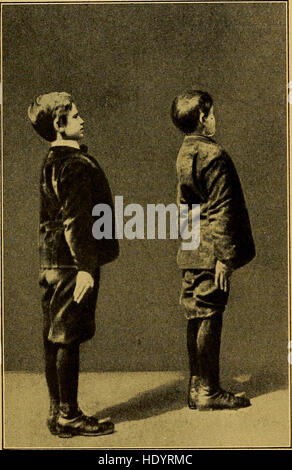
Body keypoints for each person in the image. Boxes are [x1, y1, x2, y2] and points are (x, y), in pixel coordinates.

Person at [28, 92, 119, 437]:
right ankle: (68, 414)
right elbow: (76, 220)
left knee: (53, 335)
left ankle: (56, 411)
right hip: (72, 263)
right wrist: (85, 267)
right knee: (67, 336)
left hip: (50, 261)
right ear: (59, 124)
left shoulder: (51, 161)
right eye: (76, 116)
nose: (83, 121)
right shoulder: (75, 164)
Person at [171, 89, 256, 410]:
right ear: (203, 119)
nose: (214, 118)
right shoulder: (213, 155)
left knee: (196, 313)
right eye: (212, 114)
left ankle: (197, 386)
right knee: (209, 315)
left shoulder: (184, 153)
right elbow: (222, 208)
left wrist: (189, 247)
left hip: (192, 247)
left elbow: (184, 207)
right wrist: (224, 257)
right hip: (211, 250)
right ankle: (207, 390)